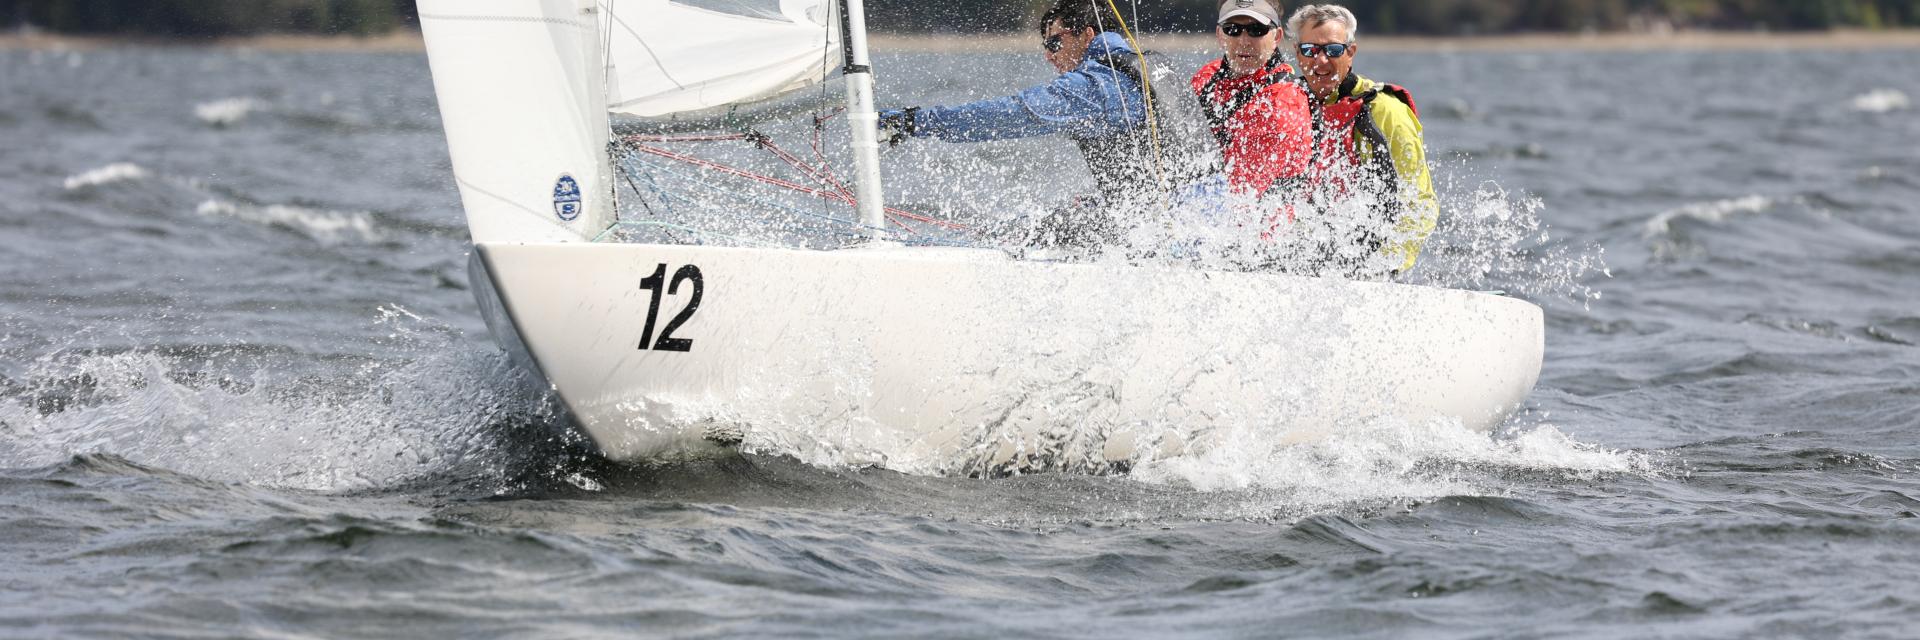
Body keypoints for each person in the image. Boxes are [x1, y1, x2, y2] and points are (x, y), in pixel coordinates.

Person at [878, 0, 1211, 248]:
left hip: (1171, 237)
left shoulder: (1099, 85)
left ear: (1087, 36)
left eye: (1054, 43)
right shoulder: (1151, 65)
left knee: (1025, 236)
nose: (1048, 56)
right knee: (1057, 219)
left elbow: (1011, 115)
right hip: (1207, 218)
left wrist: (914, 122)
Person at [1288, 3, 1437, 275]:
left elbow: (1420, 204)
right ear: (1297, 54)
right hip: (1304, 259)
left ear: (1350, 53)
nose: (1320, 61)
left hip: (1370, 264)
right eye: (1310, 50)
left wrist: (1380, 269)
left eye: (1333, 50)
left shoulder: (1387, 111)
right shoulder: (1286, 107)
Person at [1189, 0, 1314, 203]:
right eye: (1233, 30)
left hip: (1260, 223)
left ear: (1277, 37)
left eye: (1257, 30)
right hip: (1208, 204)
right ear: (1220, 35)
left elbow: (1242, 191)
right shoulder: (1206, 77)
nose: (1244, 41)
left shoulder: (1283, 102)